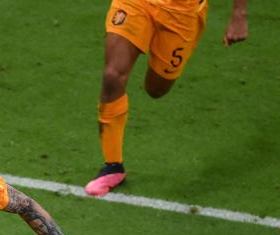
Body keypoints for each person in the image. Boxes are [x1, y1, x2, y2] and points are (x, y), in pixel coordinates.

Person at [85, 0, 248, 196]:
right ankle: (113, 166)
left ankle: (155, 39)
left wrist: (239, 14)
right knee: (112, 76)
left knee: (156, 89)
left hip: (182, 12)